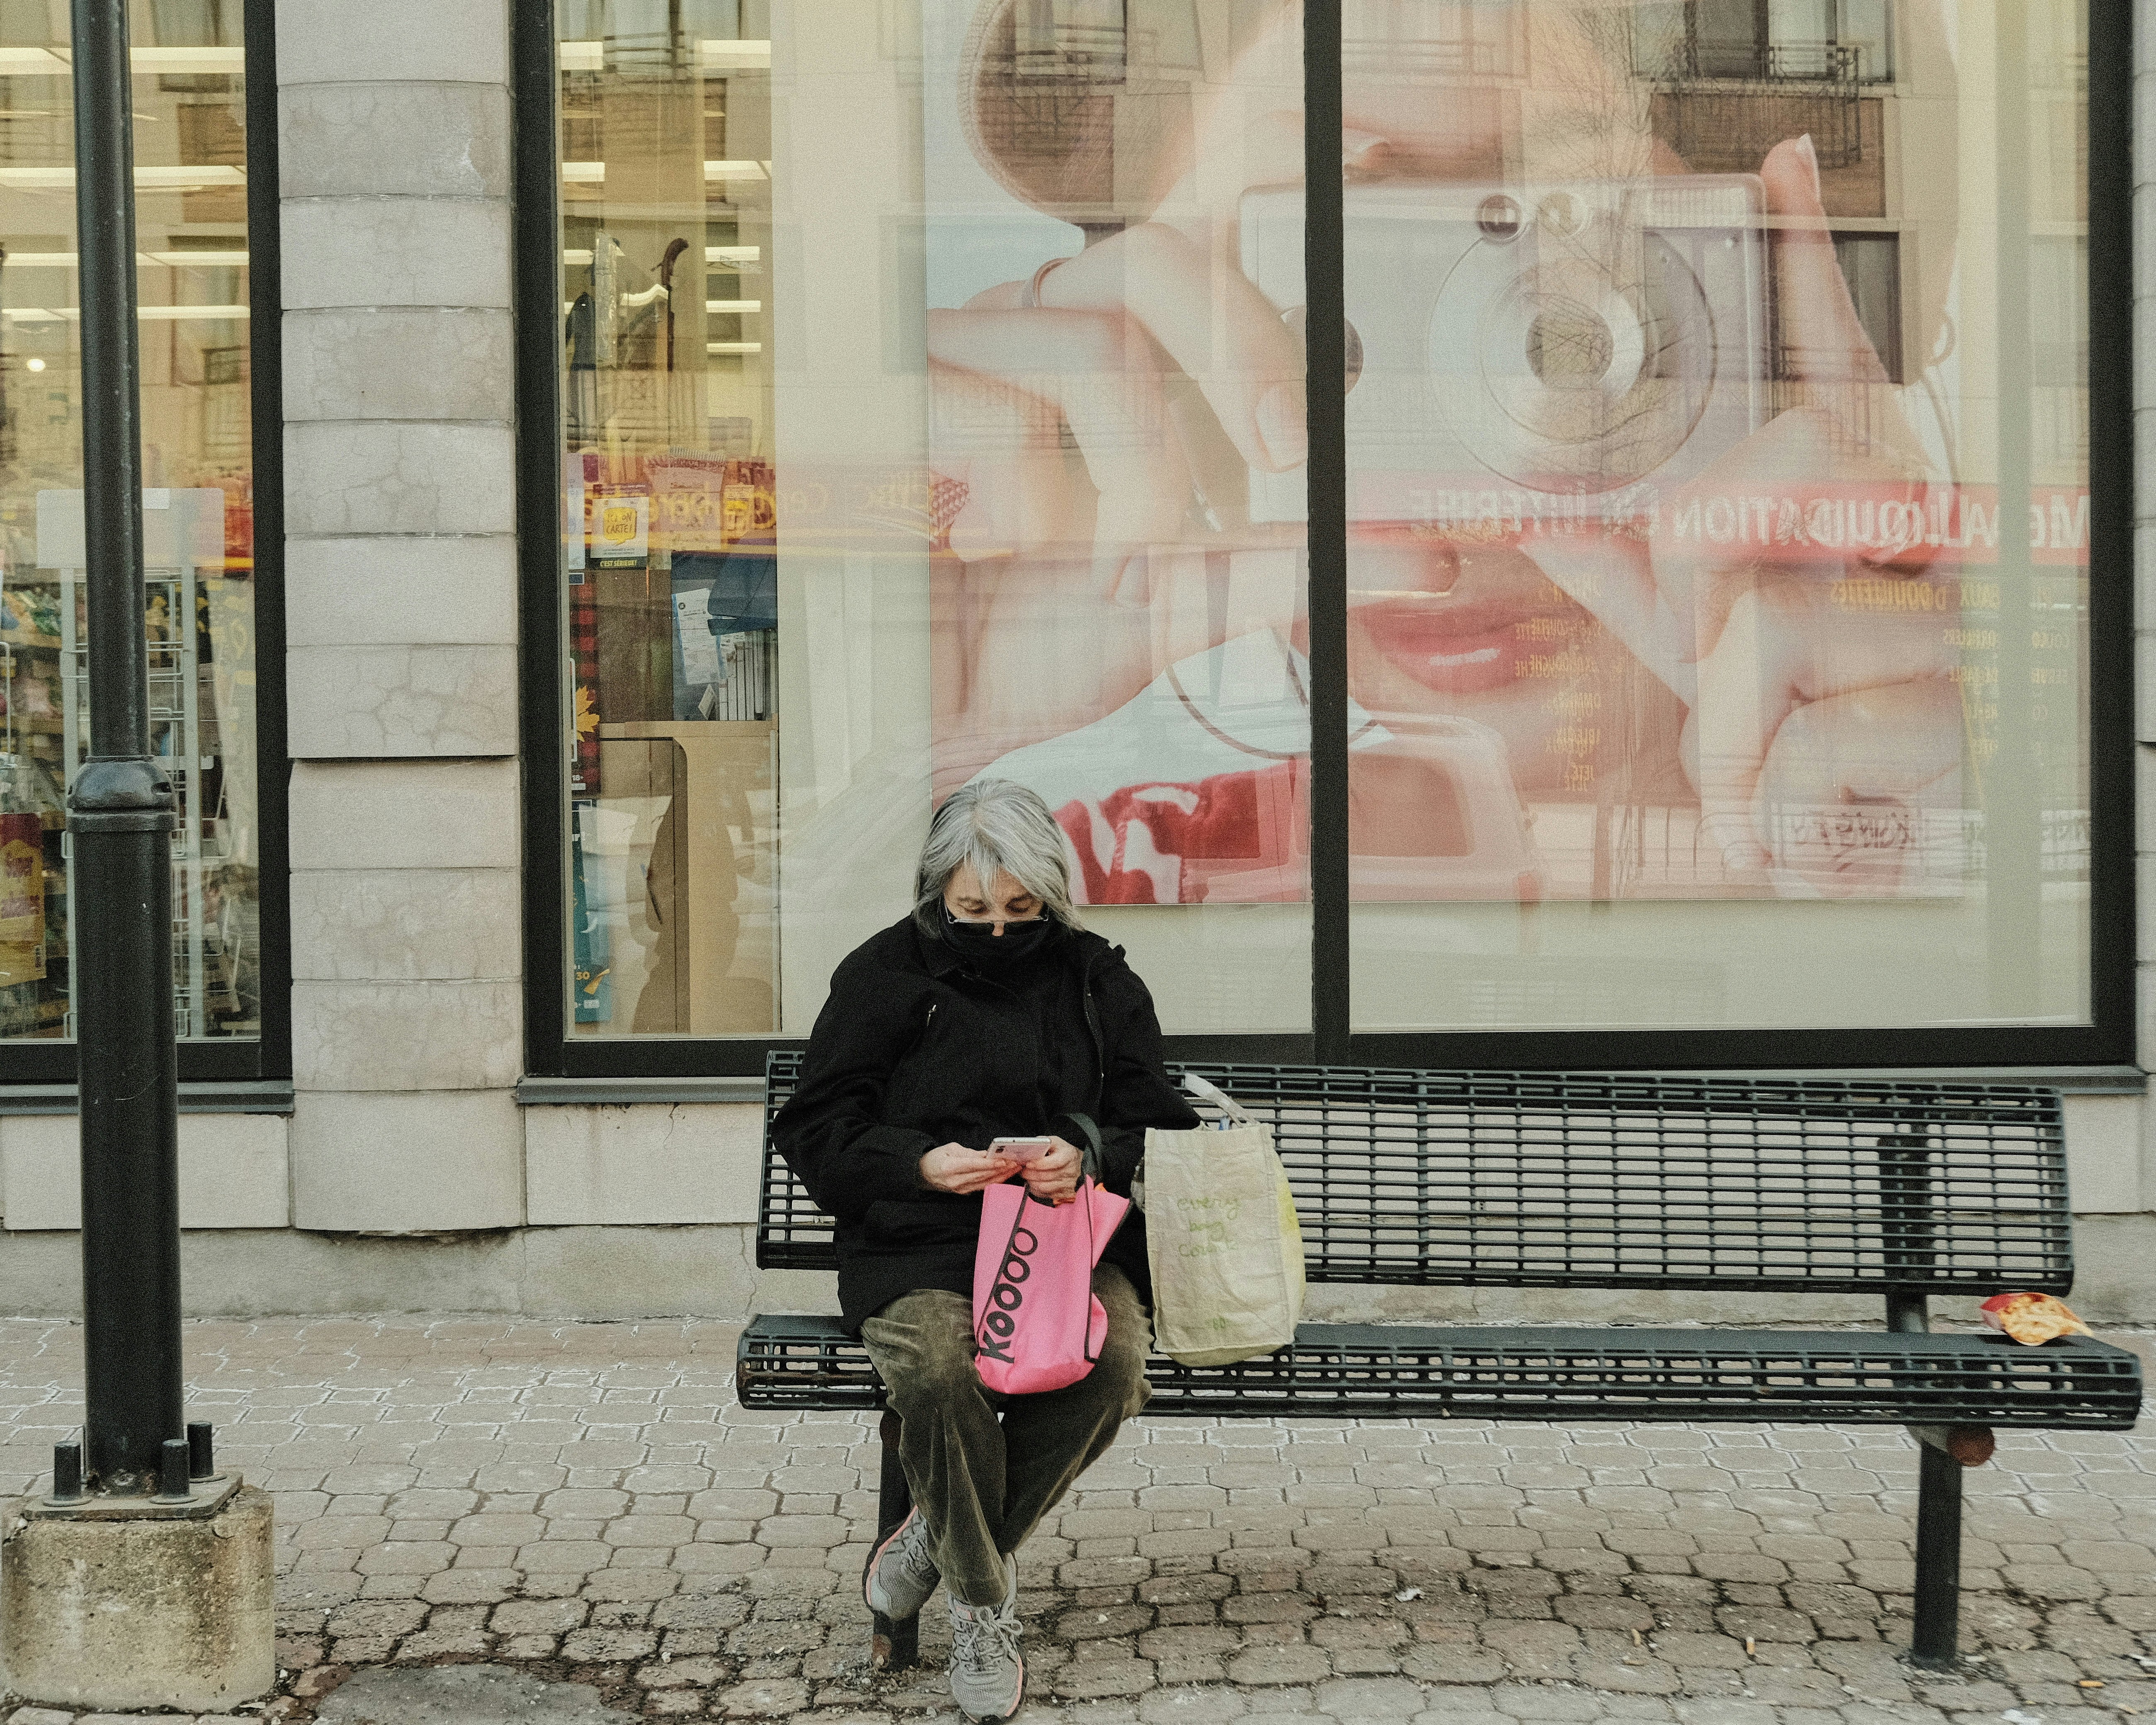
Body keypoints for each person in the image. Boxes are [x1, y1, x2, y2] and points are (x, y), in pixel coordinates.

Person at [925, 0, 1967, 905]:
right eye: (1315, 311)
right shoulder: (1099, 879)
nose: (1468, 482)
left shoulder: (2008, 841)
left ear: (1793, 310)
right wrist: (921, 722)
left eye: (1571, 329)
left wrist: (1926, 863)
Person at [770, 777, 1199, 1722]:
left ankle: (933, 1546)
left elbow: (1151, 1121)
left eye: (1020, 908)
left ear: (1051, 889)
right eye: (972, 910)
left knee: (1117, 1363)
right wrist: (918, 1162)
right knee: (934, 1369)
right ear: (935, 894)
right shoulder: (882, 974)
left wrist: (1081, 1150)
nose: (998, 929)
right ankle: (980, 1604)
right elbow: (815, 1125)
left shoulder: (1098, 979)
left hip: (1064, 1243)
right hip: (918, 1241)